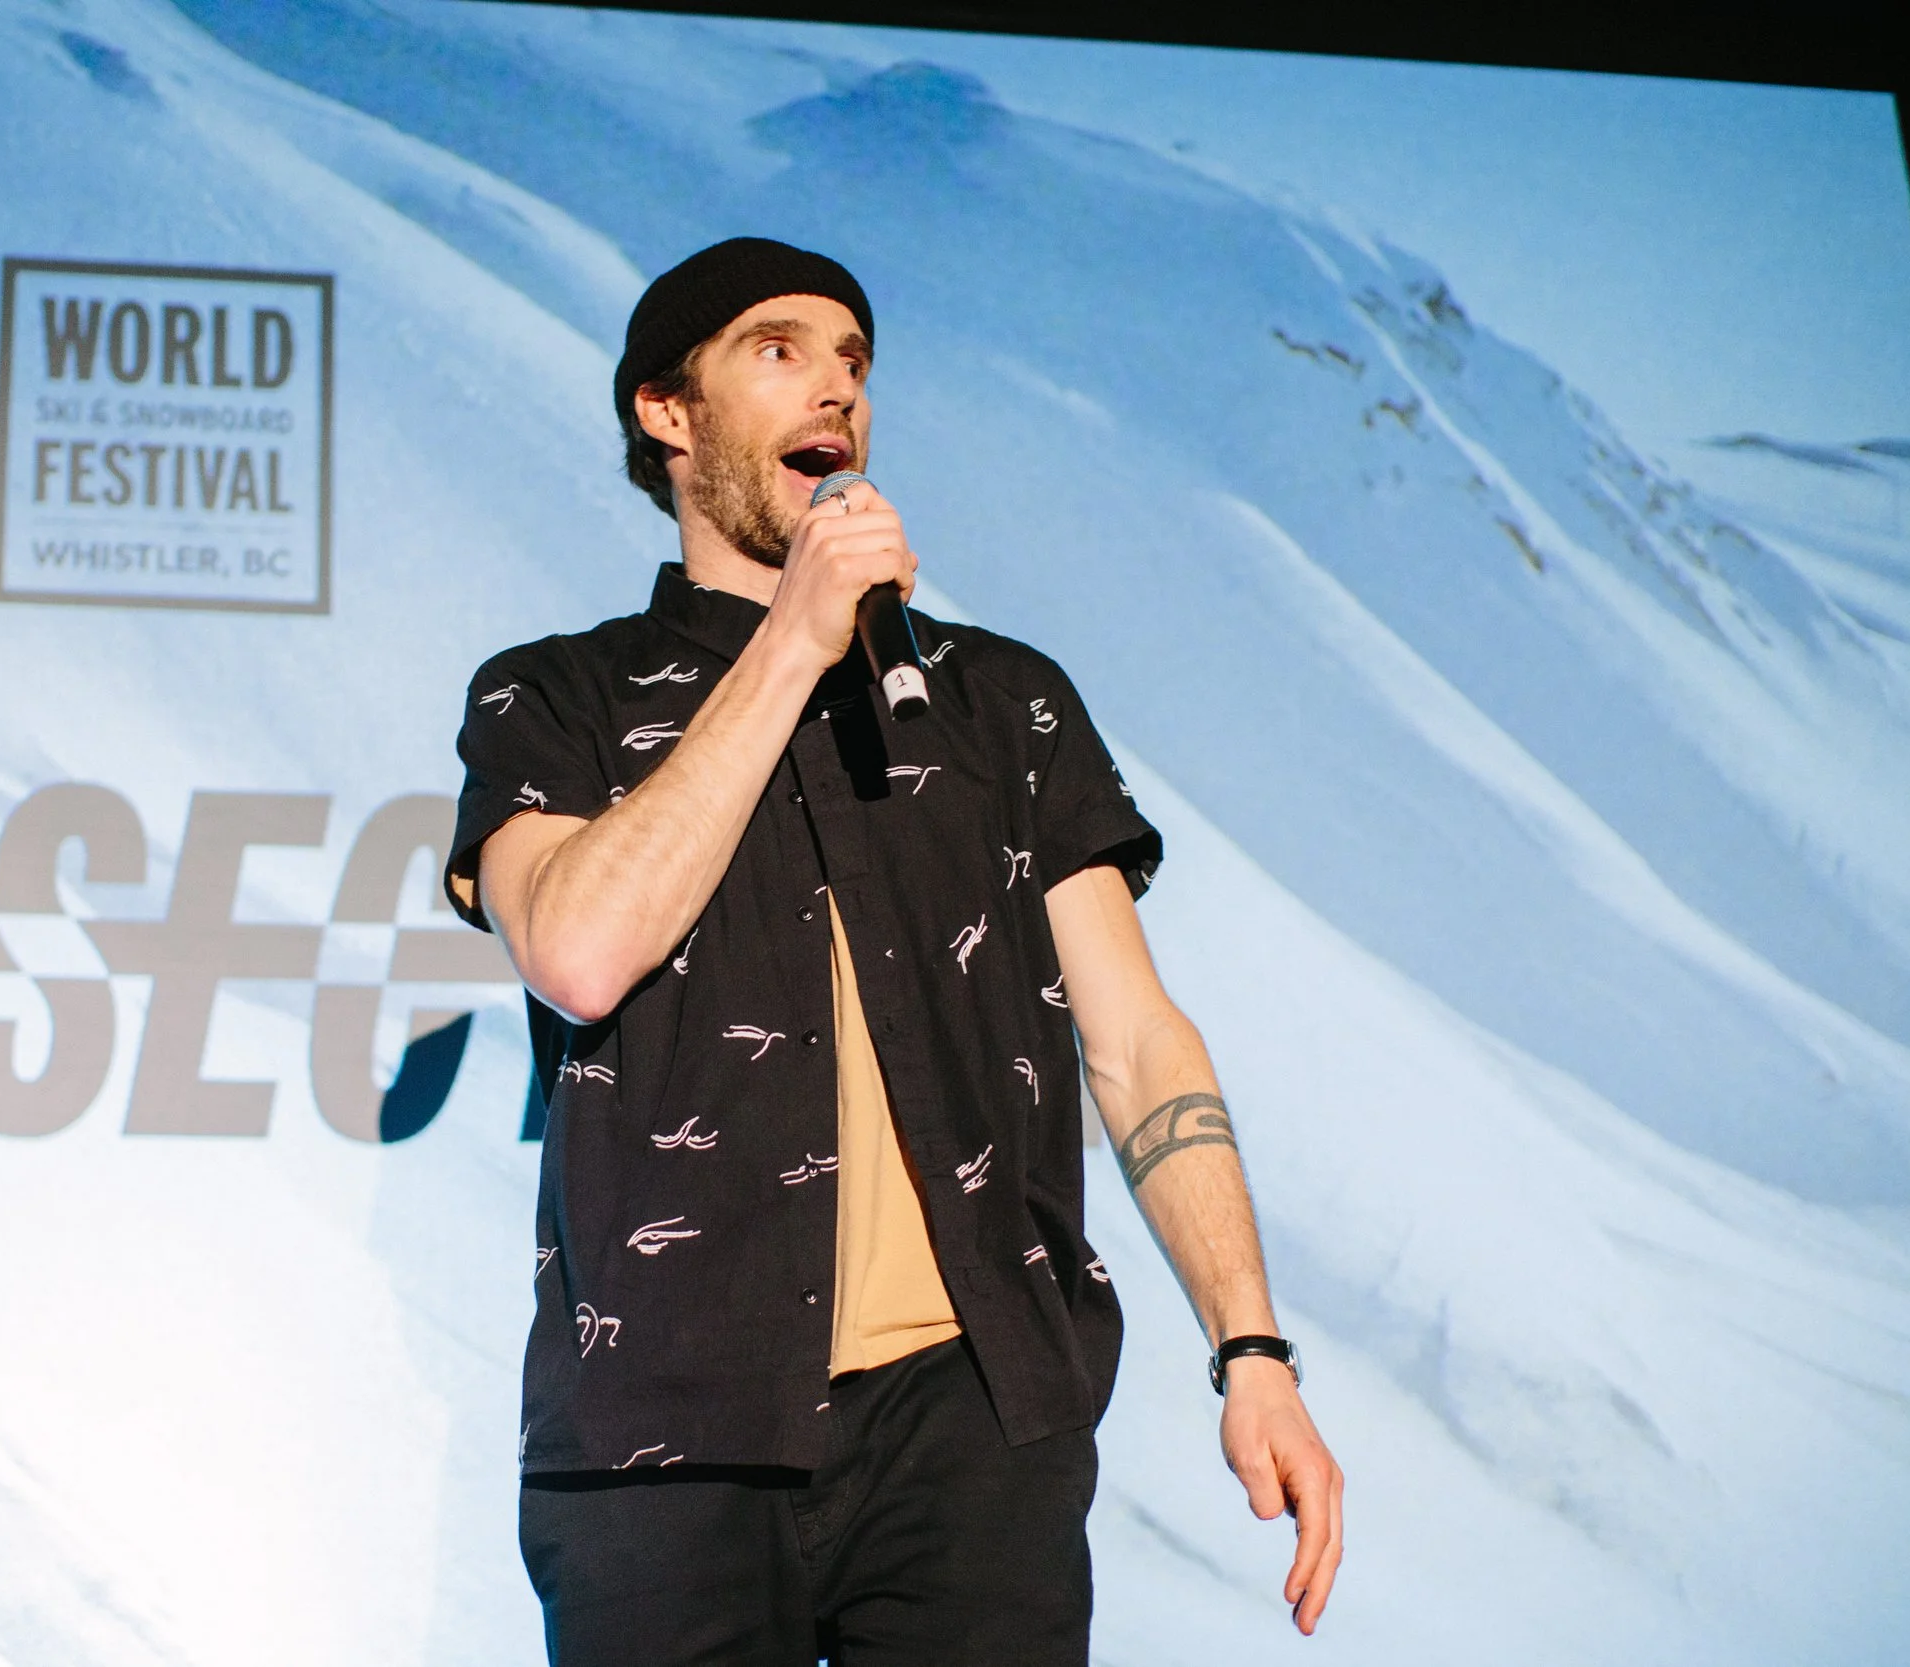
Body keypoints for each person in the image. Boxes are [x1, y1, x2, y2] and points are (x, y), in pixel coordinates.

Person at [444, 237, 1341, 1666]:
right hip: (662, 1435)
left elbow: (1135, 1041)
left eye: (854, 362)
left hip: (970, 1426)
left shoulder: (1000, 703)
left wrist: (1253, 1349)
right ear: (668, 413)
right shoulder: (557, 697)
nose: (837, 391)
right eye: (779, 351)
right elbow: (579, 952)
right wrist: (791, 645)